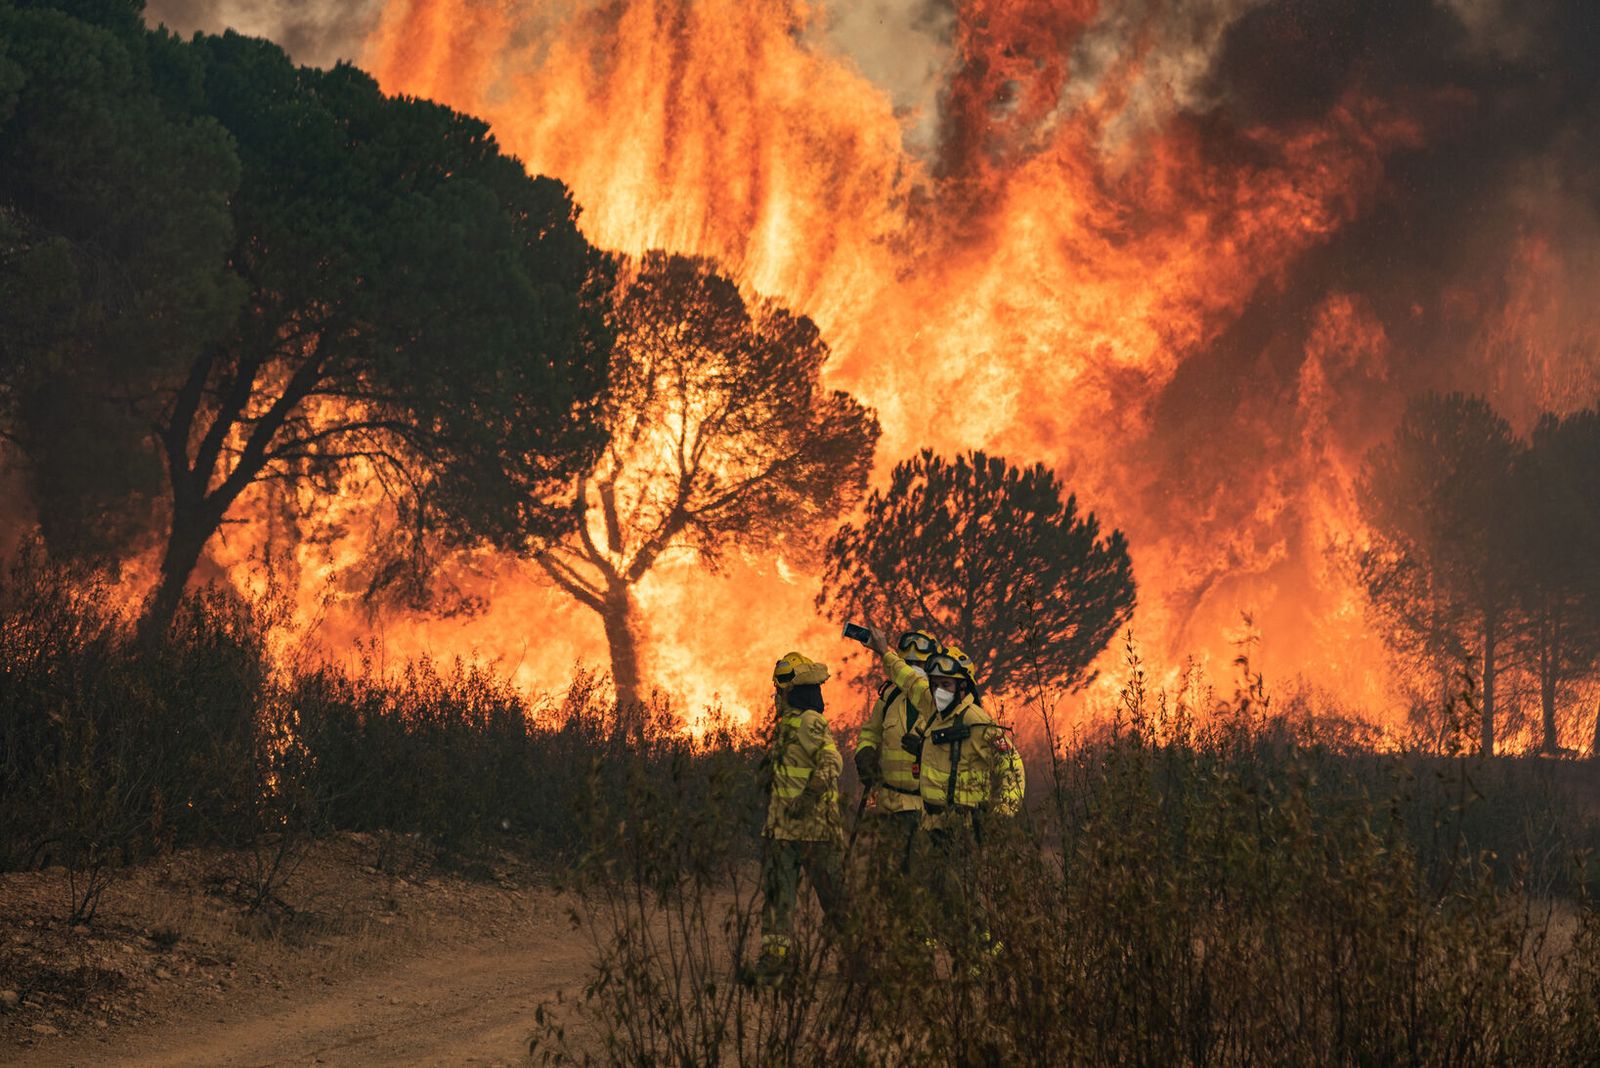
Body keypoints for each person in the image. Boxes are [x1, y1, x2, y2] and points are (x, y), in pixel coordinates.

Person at [867, 628, 1024, 958]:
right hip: (931, 823)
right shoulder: (934, 708)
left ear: (963, 687)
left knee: (955, 893)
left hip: (962, 824)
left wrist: (1003, 812)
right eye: (936, 683)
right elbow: (909, 680)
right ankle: (931, 953)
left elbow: (1011, 763)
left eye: (947, 685)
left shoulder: (976, 721)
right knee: (928, 889)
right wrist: (883, 651)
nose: (938, 691)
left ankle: (982, 954)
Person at [754, 650, 847, 984]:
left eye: (780, 689)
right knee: (778, 896)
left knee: (834, 897)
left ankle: (860, 957)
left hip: (816, 830)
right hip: (783, 830)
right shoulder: (787, 725)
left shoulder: (810, 721)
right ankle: (775, 959)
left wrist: (810, 795)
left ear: (790, 690)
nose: (776, 695)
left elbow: (832, 762)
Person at [853, 629, 942, 874]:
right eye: (908, 664)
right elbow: (870, 732)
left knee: (921, 877)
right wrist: (865, 752)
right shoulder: (889, 697)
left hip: (927, 809)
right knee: (888, 878)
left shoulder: (941, 701)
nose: (912, 670)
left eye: (919, 664)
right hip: (890, 805)